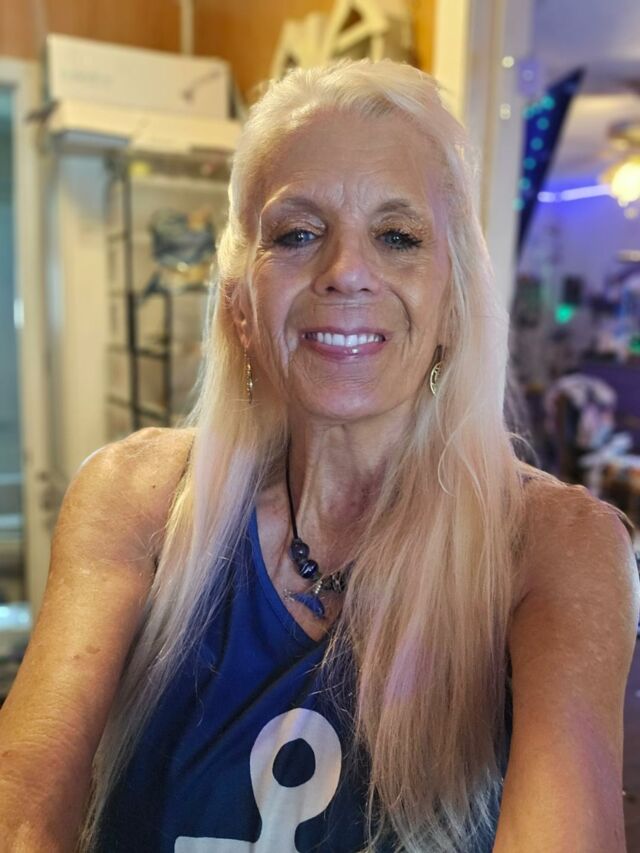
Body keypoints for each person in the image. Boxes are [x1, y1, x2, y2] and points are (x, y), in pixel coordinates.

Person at [0, 59, 638, 853]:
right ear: (240, 302)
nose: (346, 272)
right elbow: (23, 811)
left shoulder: (558, 548)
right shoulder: (135, 497)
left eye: (398, 237)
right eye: (298, 233)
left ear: (453, 304)